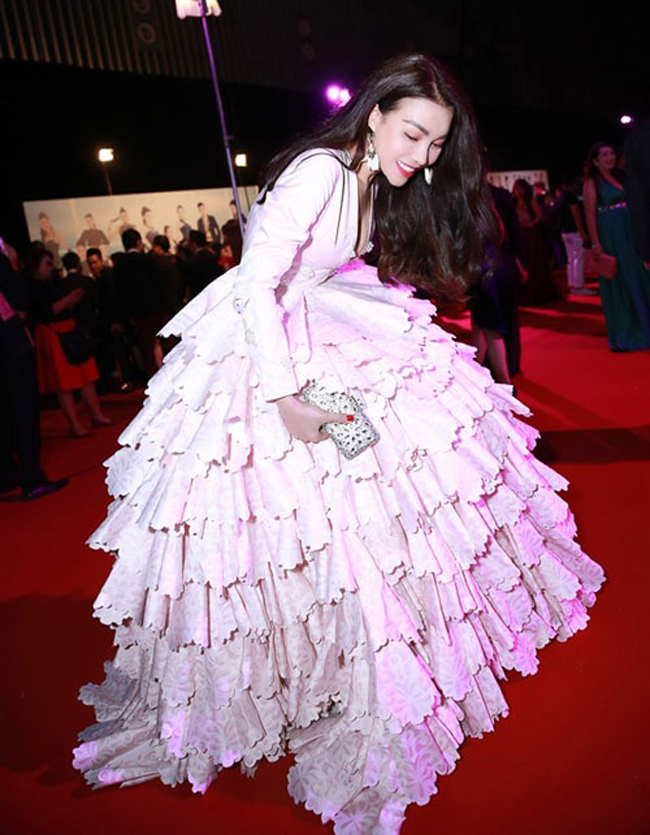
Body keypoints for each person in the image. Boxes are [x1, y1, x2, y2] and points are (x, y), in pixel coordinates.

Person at [74, 53, 604, 833]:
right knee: (315, 505)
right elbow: (257, 284)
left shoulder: (372, 177)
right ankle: (338, 659)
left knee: (375, 481)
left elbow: (333, 264)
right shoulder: (321, 171)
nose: (422, 156)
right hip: (268, 348)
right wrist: (283, 395)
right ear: (377, 112)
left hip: (325, 328)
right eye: (413, 134)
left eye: (435, 144)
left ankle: (369, 646)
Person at [0, 242, 69, 500]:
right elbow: (21, 300)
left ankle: (7, 475)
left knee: (5, 414)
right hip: (9, 346)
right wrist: (11, 263)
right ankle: (32, 479)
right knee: (23, 413)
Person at [26, 248, 110, 437]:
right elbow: (46, 312)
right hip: (54, 334)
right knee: (64, 382)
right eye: (47, 264)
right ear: (36, 266)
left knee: (87, 376)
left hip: (70, 330)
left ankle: (96, 415)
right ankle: (75, 424)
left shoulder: (53, 282)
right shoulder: (32, 287)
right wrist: (69, 299)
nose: (51, 268)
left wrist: (70, 301)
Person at [583, 141, 650, 351]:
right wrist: (596, 243)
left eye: (611, 153)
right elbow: (589, 215)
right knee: (621, 280)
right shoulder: (592, 183)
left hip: (630, 231)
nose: (610, 157)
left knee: (640, 276)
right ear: (595, 161)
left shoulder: (621, 177)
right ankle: (629, 331)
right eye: (604, 155)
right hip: (611, 235)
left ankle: (645, 325)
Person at [469, 183, 526, 384]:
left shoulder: (471, 203)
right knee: (481, 326)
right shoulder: (494, 199)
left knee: (490, 330)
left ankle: (505, 384)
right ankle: (478, 375)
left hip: (482, 273)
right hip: (497, 267)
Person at [513, 178, 561, 304]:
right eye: (517, 188)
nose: (519, 191)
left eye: (521, 188)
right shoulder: (513, 202)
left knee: (534, 262)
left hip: (531, 235)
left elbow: (540, 216)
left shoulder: (530, 201)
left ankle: (536, 293)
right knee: (523, 263)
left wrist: (531, 224)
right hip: (520, 235)